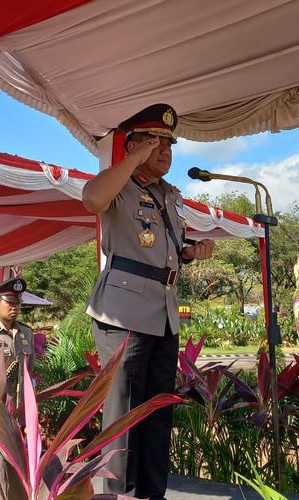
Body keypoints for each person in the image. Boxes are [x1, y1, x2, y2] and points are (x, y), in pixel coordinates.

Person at [83, 103, 214, 498]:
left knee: (157, 409)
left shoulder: (170, 195)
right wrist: (132, 159)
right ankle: (118, 492)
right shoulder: (118, 185)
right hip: (123, 312)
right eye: (155, 143)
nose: (165, 151)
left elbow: (160, 248)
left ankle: (151, 491)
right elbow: (91, 199)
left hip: (162, 312)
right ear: (135, 146)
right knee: (122, 408)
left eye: (169, 145)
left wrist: (189, 254)